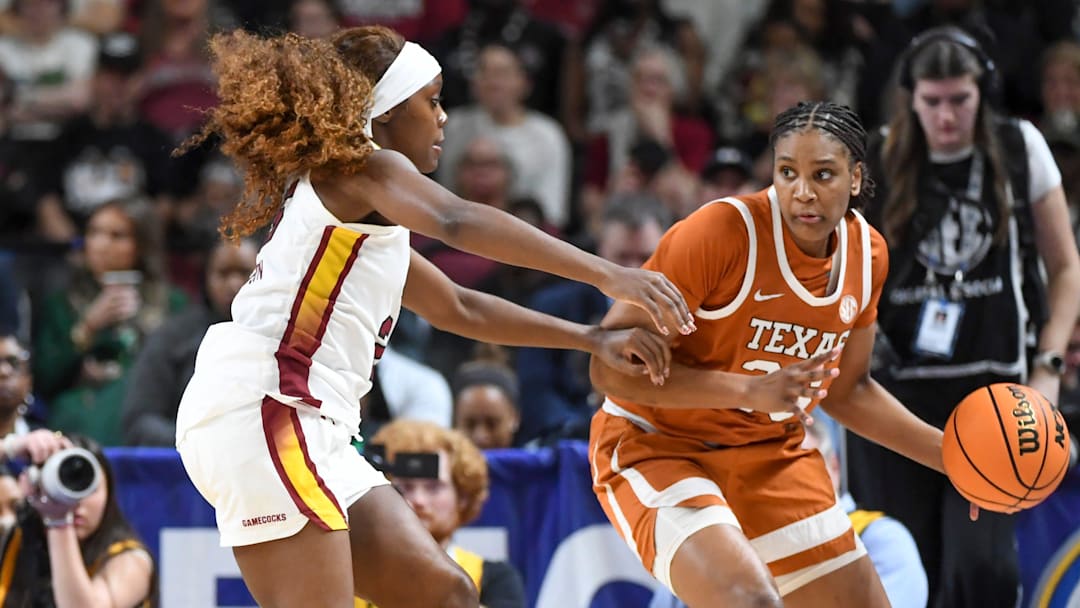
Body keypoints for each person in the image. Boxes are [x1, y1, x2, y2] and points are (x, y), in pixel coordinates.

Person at [173, 26, 695, 608]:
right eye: (434, 99)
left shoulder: (365, 212)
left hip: (309, 421)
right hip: (270, 406)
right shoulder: (364, 170)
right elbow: (456, 222)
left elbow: (460, 306)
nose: (444, 117)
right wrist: (608, 273)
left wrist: (590, 337)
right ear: (388, 112)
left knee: (445, 593)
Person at [588, 100, 958, 608]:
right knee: (750, 600)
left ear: (855, 178)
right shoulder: (719, 234)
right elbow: (608, 367)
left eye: (823, 175)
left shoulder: (867, 256)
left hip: (768, 452)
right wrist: (746, 390)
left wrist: (954, 461)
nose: (802, 192)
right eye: (787, 173)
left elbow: (848, 392)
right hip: (657, 444)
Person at [848, 27, 1080, 608]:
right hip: (894, 398)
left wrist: (1048, 369)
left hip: (993, 397)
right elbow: (840, 273)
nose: (946, 116)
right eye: (932, 101)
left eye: (960, 99)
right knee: (904, 570)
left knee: (985, 572)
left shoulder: (1019, 146)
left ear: (984, 93)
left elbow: (1067, 268)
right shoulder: (878, 154)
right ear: (911, 97)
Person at [367, 419, 526, 607]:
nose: (418, 500)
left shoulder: (493, 578)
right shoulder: (354, 575)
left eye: (434, 487)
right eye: (405, 487)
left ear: (463, 497)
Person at [121, 238, 258, 446]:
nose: (234, 284)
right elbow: (140, 421)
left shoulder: (288, 336)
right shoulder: (172, 337)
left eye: (245, 273)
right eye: (223, 273)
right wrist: (200, 444)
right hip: (184, 465)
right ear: (205, 278)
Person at [0, 433, 155, 607]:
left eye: (87, 487)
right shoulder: (14, 540)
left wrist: (58, 522)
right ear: (35, 483)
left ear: (109, 493)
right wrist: (10, 447)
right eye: (62, 485)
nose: (75, 501)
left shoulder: (131, 560)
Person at [452, 358, 520, 450]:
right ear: (455, 422)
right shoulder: (440, 463)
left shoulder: (540, 461)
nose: (480, 437)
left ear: (514, 418)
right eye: (470, 424)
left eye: (492, 424)